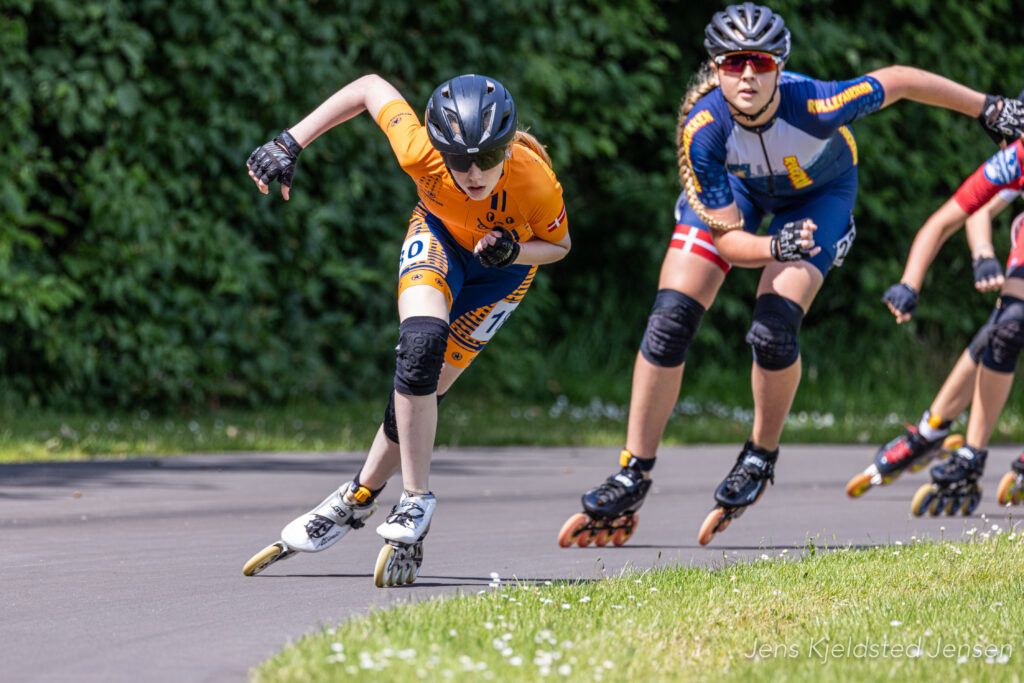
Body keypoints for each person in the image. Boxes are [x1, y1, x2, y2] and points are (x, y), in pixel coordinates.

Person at [557, 2, 1024, 549]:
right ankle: (632, 471)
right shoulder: (702, 129)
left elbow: (898, 80)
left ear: (779, 65)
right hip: (740, 198)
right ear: (715, 67)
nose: (747, 75)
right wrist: (770, 246)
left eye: (760, 62)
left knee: (772, 330)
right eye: (733, 63)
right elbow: (727, 240)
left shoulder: (817, 104)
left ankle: (760, 453)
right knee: (669, 319)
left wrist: (988, 107)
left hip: (817, 198)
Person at [241, 73, 571, 586]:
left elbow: (560, 247)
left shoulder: (535, 182)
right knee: (419, 348)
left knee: (424, 391)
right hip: (439, 236)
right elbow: (368, 87)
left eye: (488, 158)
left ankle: (359, 495)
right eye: (458, 159)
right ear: (439, 150)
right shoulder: (419, 151)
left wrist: (513, 251)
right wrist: (291, 141)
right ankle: (416, 499)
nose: (474, 173)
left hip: (503, 273)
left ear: (508, 148)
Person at [862, 137, 1024, 516]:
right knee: (1007, 327)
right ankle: (957, 447)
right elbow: (959, 214)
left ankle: (931, 432)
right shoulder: (1017, 156)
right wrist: (979, 255)